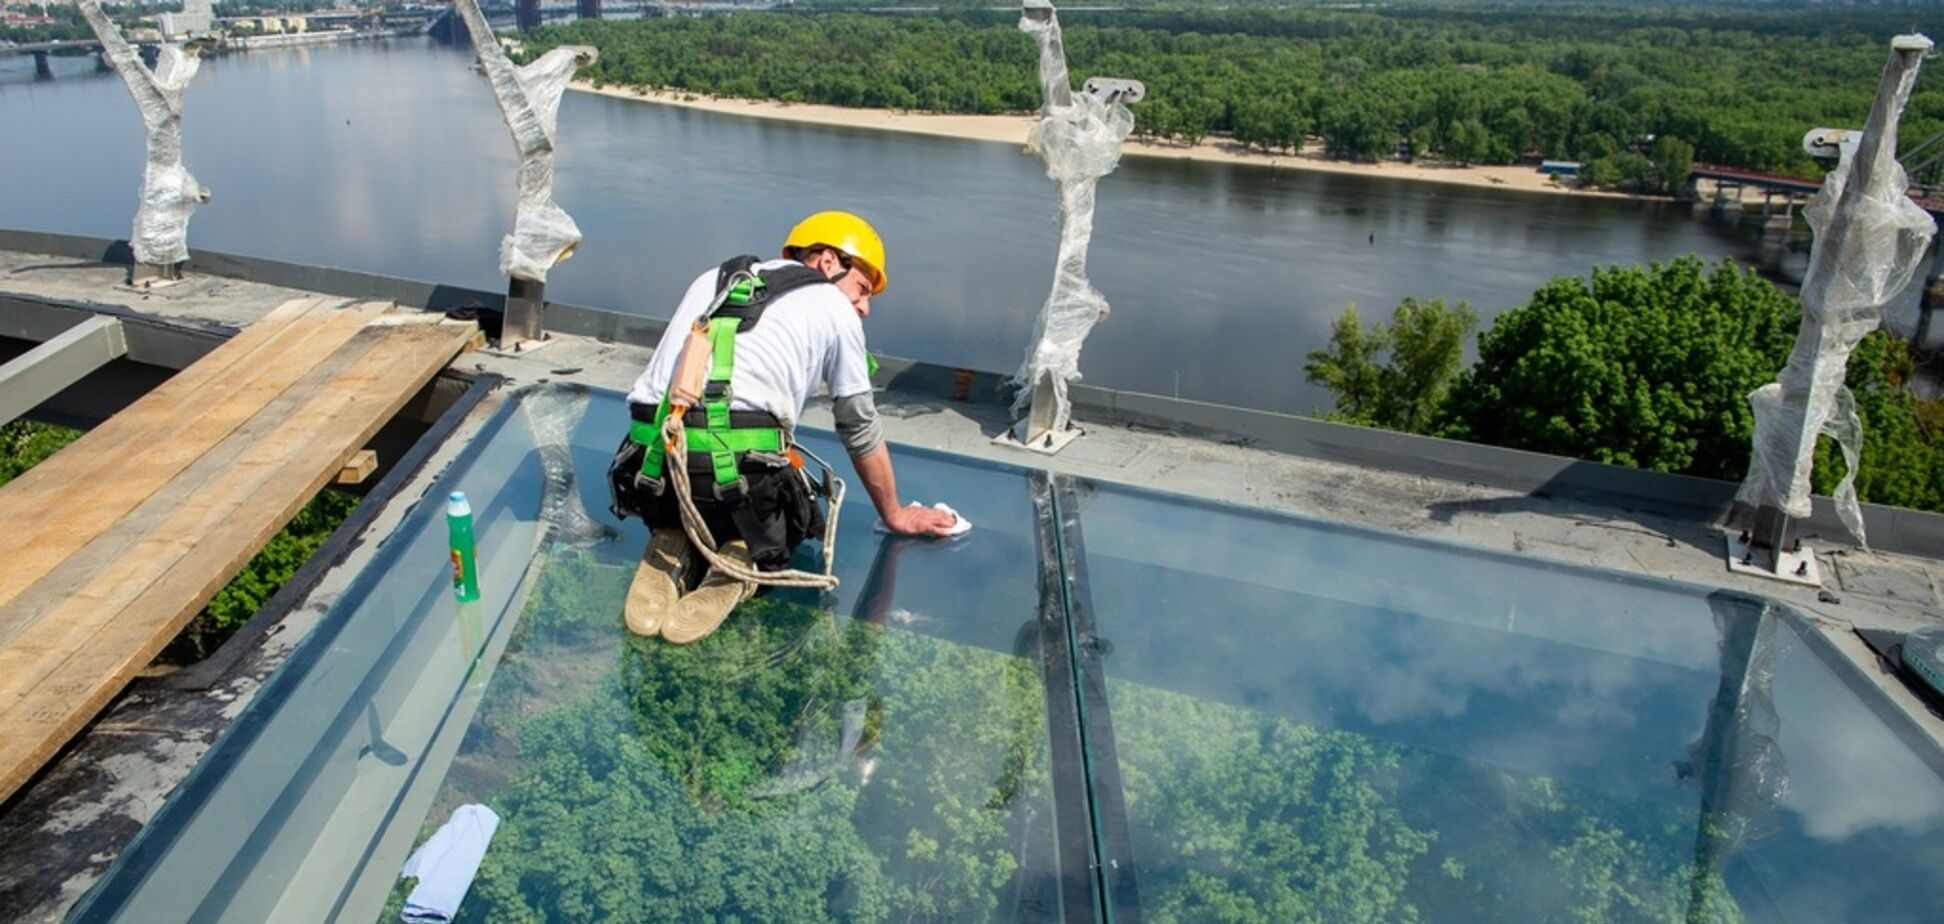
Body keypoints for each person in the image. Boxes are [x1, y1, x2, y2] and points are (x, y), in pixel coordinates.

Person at [608, 211, 959, 643]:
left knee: (704, 467)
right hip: (730, 476)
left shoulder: (715, 276)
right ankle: (744, 558)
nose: (865, 307)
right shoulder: (834, 307)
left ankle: (672, 535)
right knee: (796, 513)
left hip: (646, 466)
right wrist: (896, 513)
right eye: (863, 289)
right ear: (828, 262)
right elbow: (859, 426)